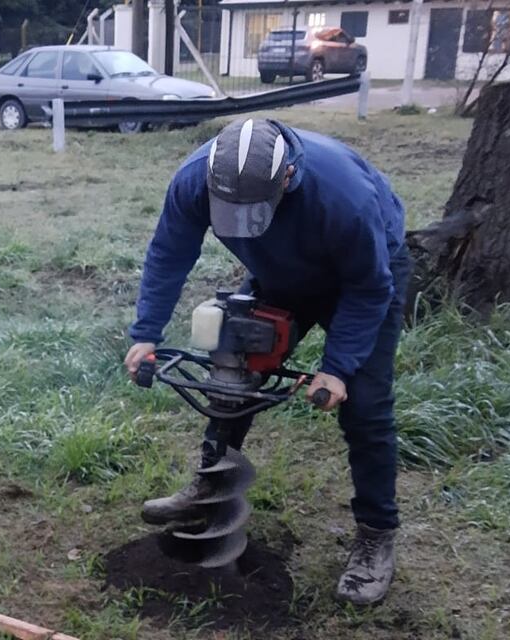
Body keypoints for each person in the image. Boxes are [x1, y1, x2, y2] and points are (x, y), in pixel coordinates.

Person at [124, 118, 409, 605]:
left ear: (287, 178)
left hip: (364, 279)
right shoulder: (195, 179)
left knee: (365, 405)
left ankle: (376, 535)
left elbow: (370, 286)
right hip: (277, 273)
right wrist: (145, 333)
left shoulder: (342, 197)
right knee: (232, 369)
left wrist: (337, 368)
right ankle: (209, 482)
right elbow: (170, 253)